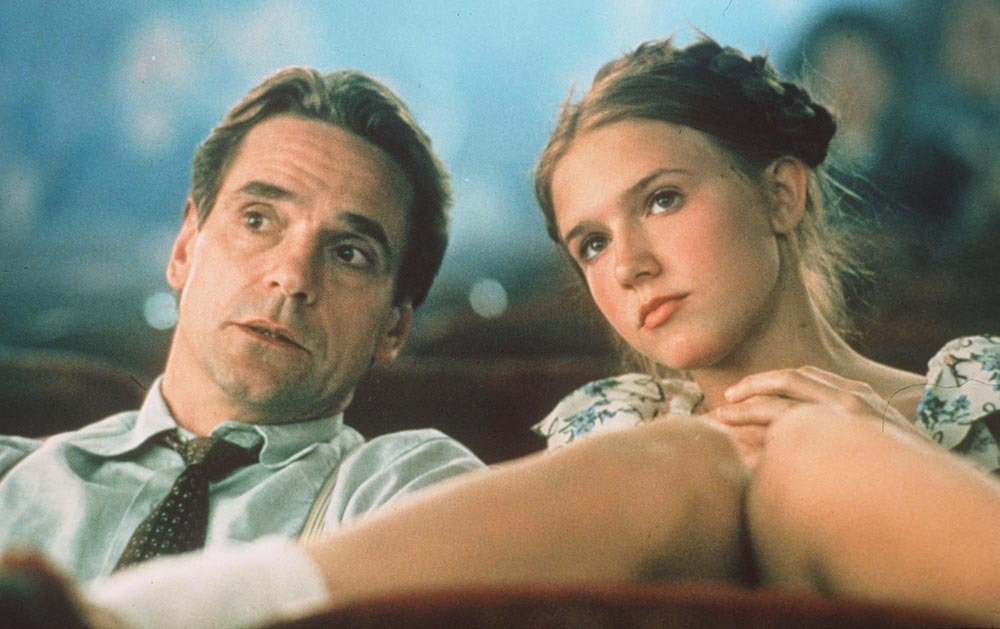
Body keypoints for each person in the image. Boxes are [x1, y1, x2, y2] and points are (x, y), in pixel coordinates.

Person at [7, 37, 1000, 628]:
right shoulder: (611, 445)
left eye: (662, 199)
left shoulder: (975, 391)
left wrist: (884, 457)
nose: (629, 263)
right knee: (696, 454)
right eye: (591, 241)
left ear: (780, 192)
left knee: (806, 443)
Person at [0, 66, 484, 584]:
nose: (292, 277)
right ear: (184, 249)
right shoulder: (14, 476)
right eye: (257, 219)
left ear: (394, 328)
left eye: (349, 253)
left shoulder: (403, 493)